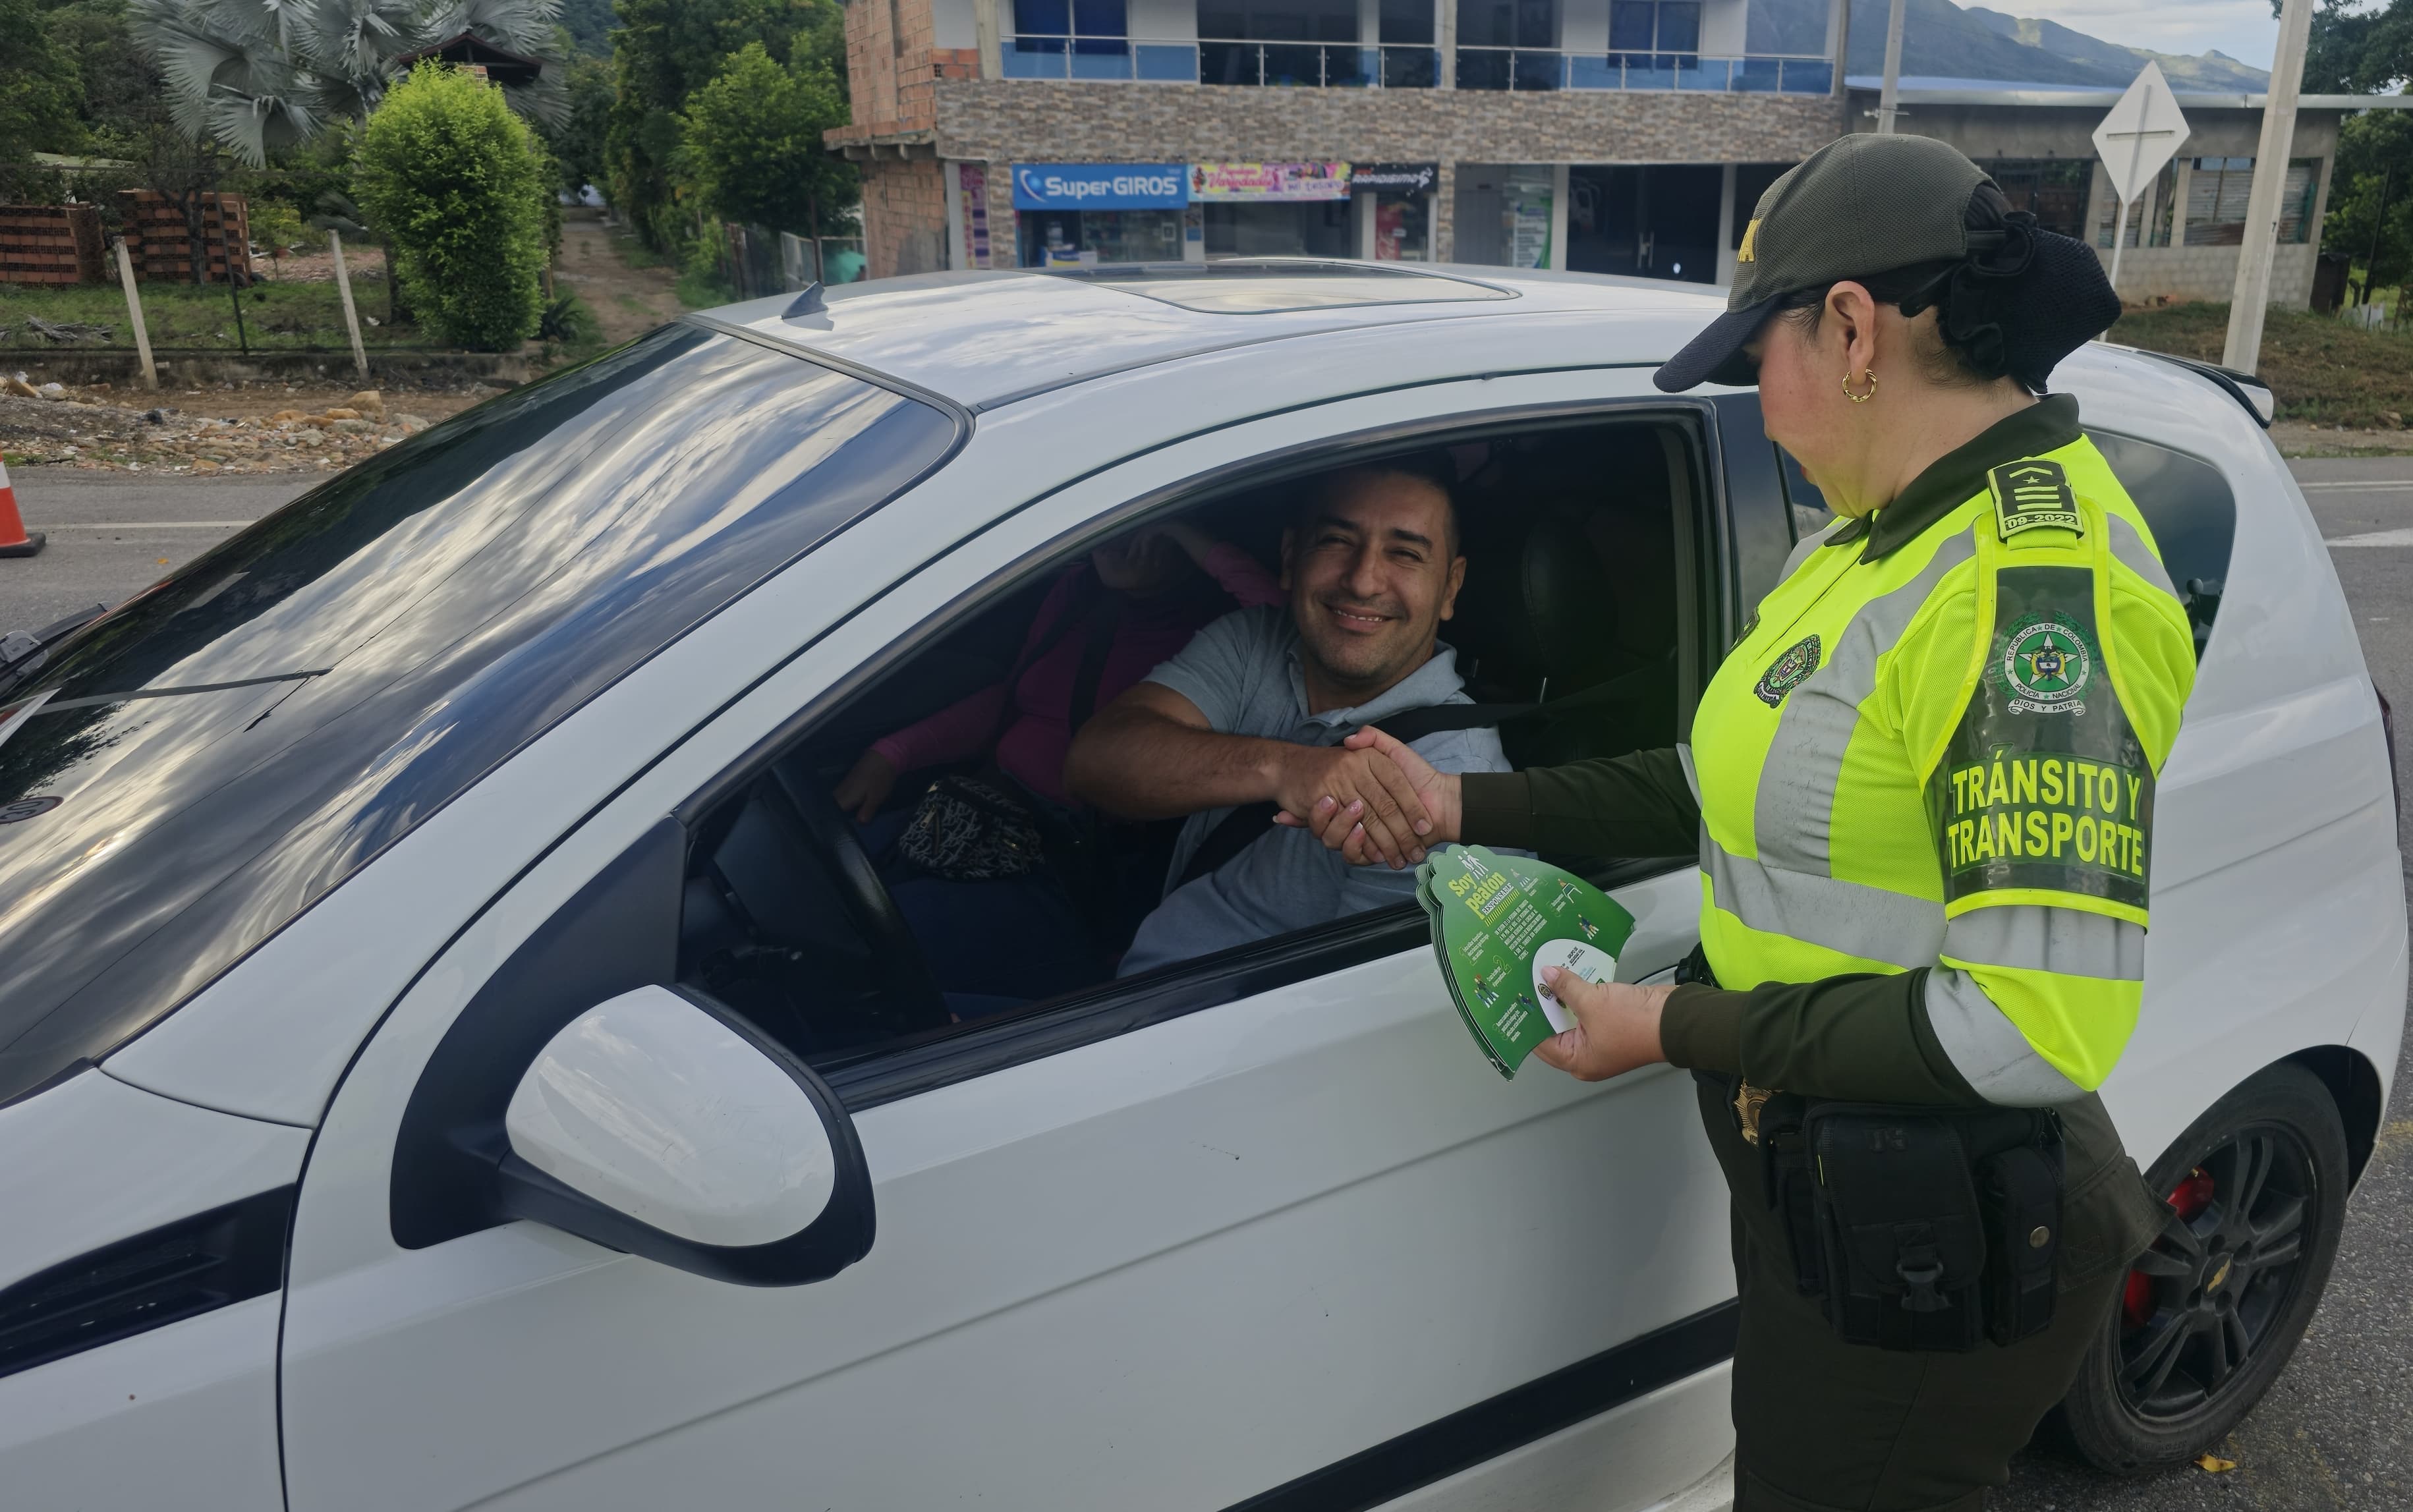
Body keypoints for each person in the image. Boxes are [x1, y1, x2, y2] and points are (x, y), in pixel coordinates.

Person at [1285, 136, 2198, 1512]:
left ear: (1851, 327)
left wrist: (1666, 1023)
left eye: (1754, 362)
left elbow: (2027, 1025)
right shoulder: (1875, 537)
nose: (1758, 409)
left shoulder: (2031, 597)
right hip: (1834, 1183)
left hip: (1935, 1224)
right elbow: (1731, 778)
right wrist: (1460, 801)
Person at [1064, 457, 1512, 976]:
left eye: (1405, 553)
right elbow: (1095, 760)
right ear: (1289, 557)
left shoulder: (1450, 785)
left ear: (1450, 588)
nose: (1364, 581)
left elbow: (1351, 1015)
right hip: (1138, 971)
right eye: (1337, 541)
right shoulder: (1257, 640)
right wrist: (1287, 769)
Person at [831, 520, 1282, 1009]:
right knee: (824, 883)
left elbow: (1288, 634)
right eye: (1115, 520)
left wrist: (1191, 532)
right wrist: (893, 754)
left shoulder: (1231, 637)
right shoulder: (1077, 592)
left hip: (1069, 869)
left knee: (866, 943)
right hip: (984, 807)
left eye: (1143, 524)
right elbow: (1017, 700)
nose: (1120, 538)